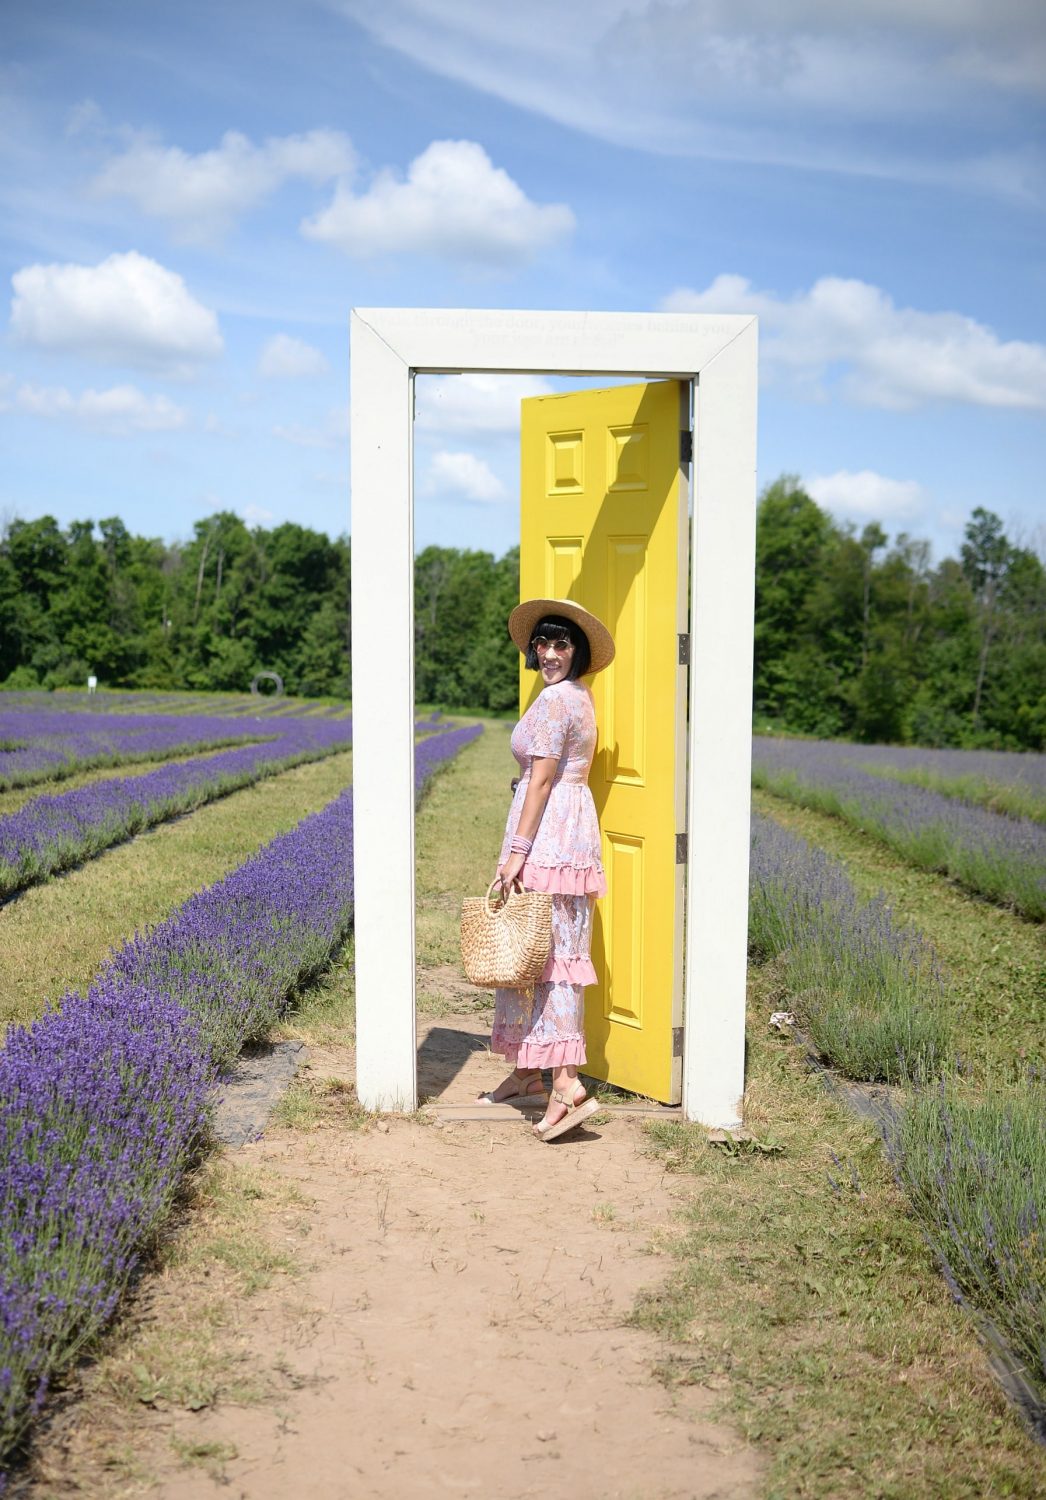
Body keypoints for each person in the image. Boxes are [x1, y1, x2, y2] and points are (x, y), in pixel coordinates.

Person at [477, 597, 614, 1142]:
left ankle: (566, 1083)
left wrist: (516, 852)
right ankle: (527, 1073)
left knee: (551, 957)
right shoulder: (572, 695)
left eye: (562, 643)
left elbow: (540, 781)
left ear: (577, 651)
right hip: (564, 827)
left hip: (550, 832)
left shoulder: (559, 702)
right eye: (543, 643)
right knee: (538, 951)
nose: (551, 652)